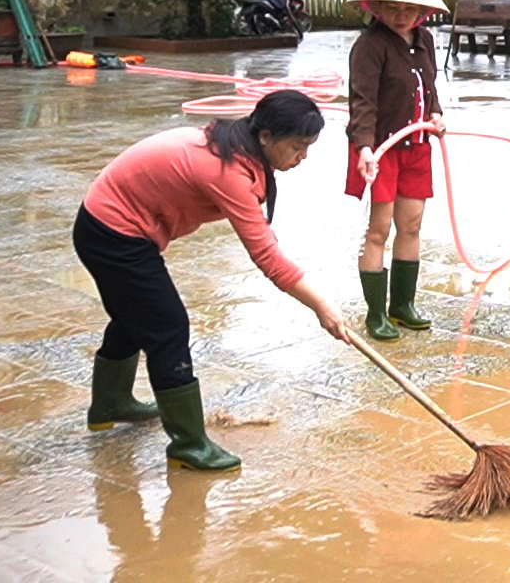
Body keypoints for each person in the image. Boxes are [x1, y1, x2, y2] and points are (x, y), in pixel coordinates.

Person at [74, 90, 347, 472]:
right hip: (112, 232)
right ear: (265, 136)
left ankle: (110, 405)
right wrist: (321, 306)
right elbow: (267, 257)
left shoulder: (236, 147)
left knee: (136, 314)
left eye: (308, 147)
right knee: (167, 326)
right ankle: (189, 444)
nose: (303, 157)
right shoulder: (227, 170)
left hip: (112, 224)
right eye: (298, 146)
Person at [345, 0, 447, 342]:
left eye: (409, 9)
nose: (402, 15)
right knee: (379, 229)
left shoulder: (424, 41)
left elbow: (430, 89)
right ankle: (375, 314)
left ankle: (402, 305)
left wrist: (436, 115)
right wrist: (365, 148)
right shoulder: (369, 46)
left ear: (422, 12)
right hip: (382, 150)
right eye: (393, 8)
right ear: (378, 8)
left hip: (418, 146)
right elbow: (362, 102)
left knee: (412, 224)